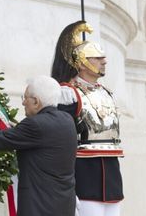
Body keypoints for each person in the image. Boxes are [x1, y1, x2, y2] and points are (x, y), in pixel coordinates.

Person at [0, 75, 77, 216]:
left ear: (36, 102)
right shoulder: (67, 120)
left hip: (39, 206)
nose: (23, 103)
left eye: (25, 98)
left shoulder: (35, 124)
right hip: (64, 205)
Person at [51, 20, 124, 216]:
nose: (104, 61)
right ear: (82, 62)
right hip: (85, 176)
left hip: (112, 177)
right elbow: (61, 140)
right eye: (97, 57)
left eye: (103, 57)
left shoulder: (106, 93)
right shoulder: (68, 93)